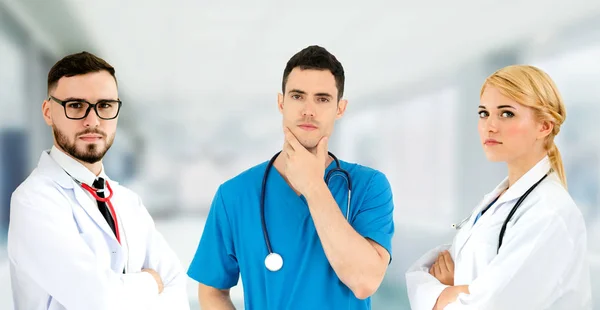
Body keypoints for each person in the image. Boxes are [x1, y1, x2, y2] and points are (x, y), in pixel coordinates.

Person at [187, 45, 395, 309]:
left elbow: (364, 281)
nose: (309, 110)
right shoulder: (234, 195)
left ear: (340, 109)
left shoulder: (369, 187)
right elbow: (212, 290)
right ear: (281, 102)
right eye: (298, 96)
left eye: (322, 99)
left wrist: (313, 185)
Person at [7, 51, 190, 310]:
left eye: (104, 106)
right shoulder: (34, 201)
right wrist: (150, 283)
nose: (92, 121)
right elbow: (99, 302)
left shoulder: (128, 201)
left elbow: (174, 286)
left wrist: (120, 288)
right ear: (48, 112)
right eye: (76, 106)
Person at [405, 64, 592, 309]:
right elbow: (421, 273)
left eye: (506, 114)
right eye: (484, 113)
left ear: (544, 126)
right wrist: (456, 291)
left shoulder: (549, 213)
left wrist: (445, 294)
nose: (489, 126)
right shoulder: (499, 200)